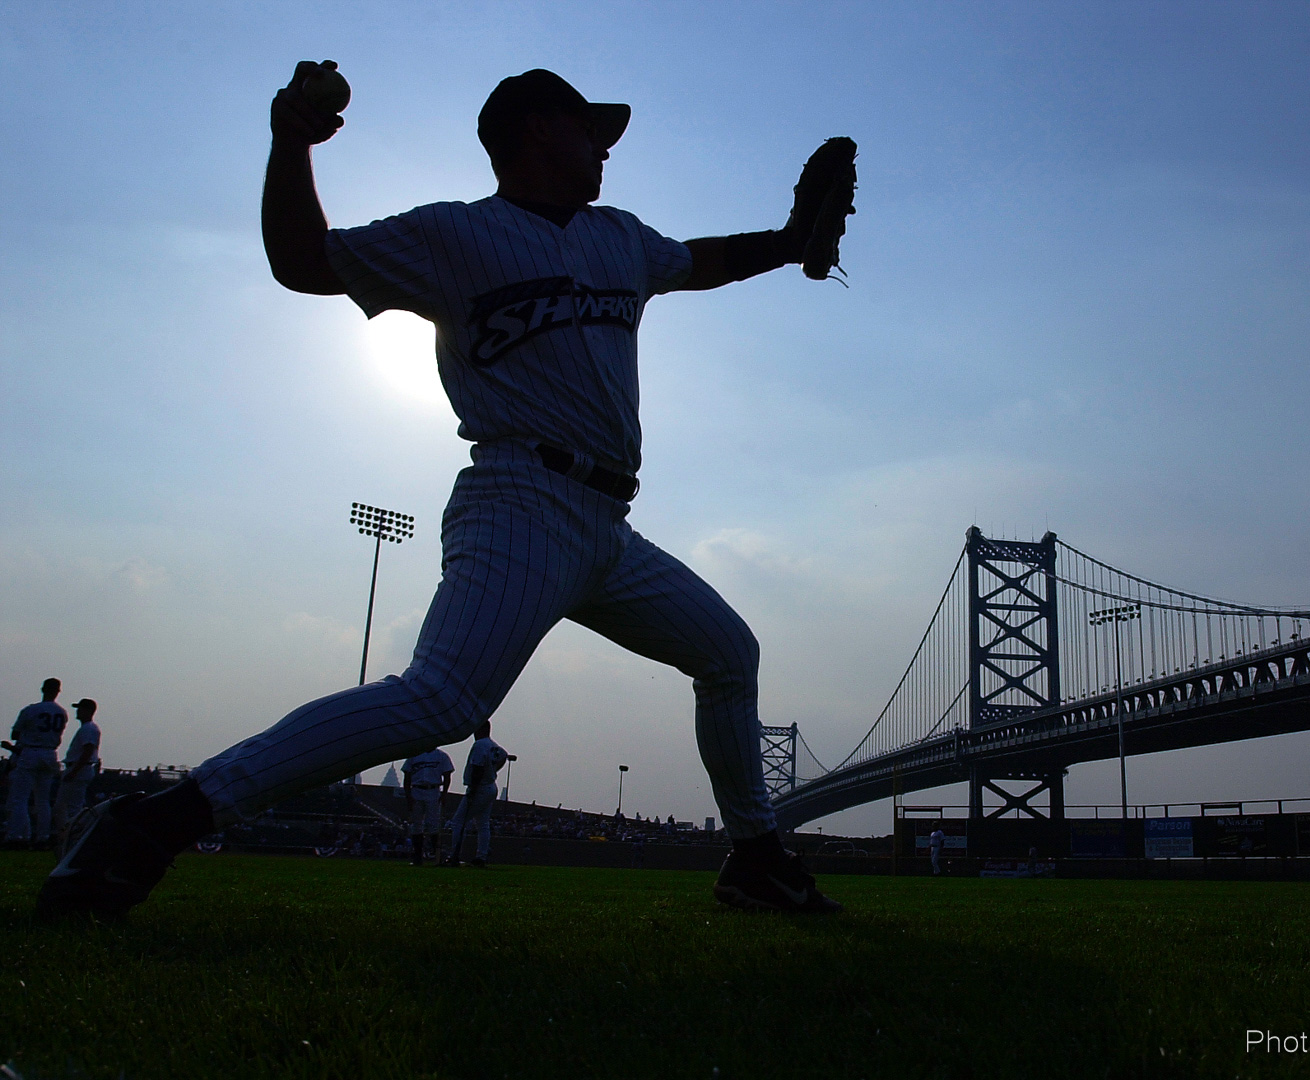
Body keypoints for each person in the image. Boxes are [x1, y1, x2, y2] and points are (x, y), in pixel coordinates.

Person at [39, 63, 850, 919]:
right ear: (538, 130)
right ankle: (157, 819)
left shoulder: (619, 235)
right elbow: (303, 261)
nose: (604, 149)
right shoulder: (453, 235)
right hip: (519, 501)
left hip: (608, 525)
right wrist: (291, 143)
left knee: (728, 653)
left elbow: (704, 261)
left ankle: (756, 857)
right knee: (443, 700)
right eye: (590, 131)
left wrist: (790, 238)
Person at [7, 679, 68, 848]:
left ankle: (18, 835)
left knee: (20, 798)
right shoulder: (62, 713)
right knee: (43, 800)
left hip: (31, 751)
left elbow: (15, 734)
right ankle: (43, 836)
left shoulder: (31, 710)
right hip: (50, 753)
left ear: (42, 689)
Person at [442, 722, 508, 867]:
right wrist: (493, 771)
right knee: (483, 823)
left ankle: (455, 855)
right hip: (490, 785)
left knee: (459, 821)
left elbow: (477, 767)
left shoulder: (479, 745)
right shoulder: (494, 746)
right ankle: (481, 856)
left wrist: (473, 789)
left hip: (480, 787)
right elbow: (504, 755)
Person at [51, 699, 102, 844]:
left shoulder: (88, 728)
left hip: (79, 768)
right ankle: (70, 835)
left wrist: (74, 771)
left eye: (80, 709)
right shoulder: (88, 728)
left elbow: (87, 751)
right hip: (80, 768)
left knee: (72, 807)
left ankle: (74, 836)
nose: (78, 711)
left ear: (88, 710)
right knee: (65, 806)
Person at [401, 746, 454, 866]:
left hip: (433, 790)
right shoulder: (414, 755)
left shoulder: (442, 756)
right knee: (416, 825)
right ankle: (417, 857)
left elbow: (447, 776)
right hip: (416, 790)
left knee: (433, 825)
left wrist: (445, 793)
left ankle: (437, 856)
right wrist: (408, 796)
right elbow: (407, 776)